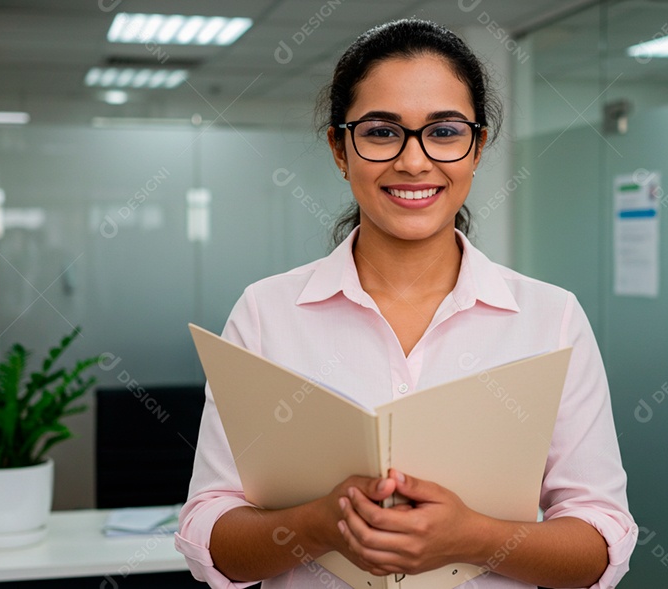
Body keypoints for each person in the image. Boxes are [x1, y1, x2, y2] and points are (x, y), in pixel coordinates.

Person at [176, 18, 637, 589]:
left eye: (443, 132)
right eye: (380, 132)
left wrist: (476, 538)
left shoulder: (552, 318)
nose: (414, 162)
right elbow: (211, 537)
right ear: (340, 149)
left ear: (477, 148)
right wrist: (321, 524)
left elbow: (599, 540)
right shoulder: (266, 313)